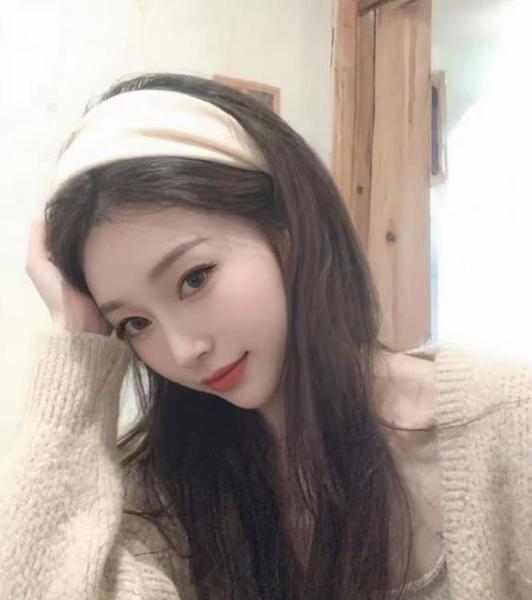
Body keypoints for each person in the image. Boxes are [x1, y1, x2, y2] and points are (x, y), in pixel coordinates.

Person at [0, 72, 530, 600]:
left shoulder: (507, 422)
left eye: (194, 278)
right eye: (135, 324)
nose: (184, 351)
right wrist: (74, 352)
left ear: (286, 226)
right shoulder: (166, 496)